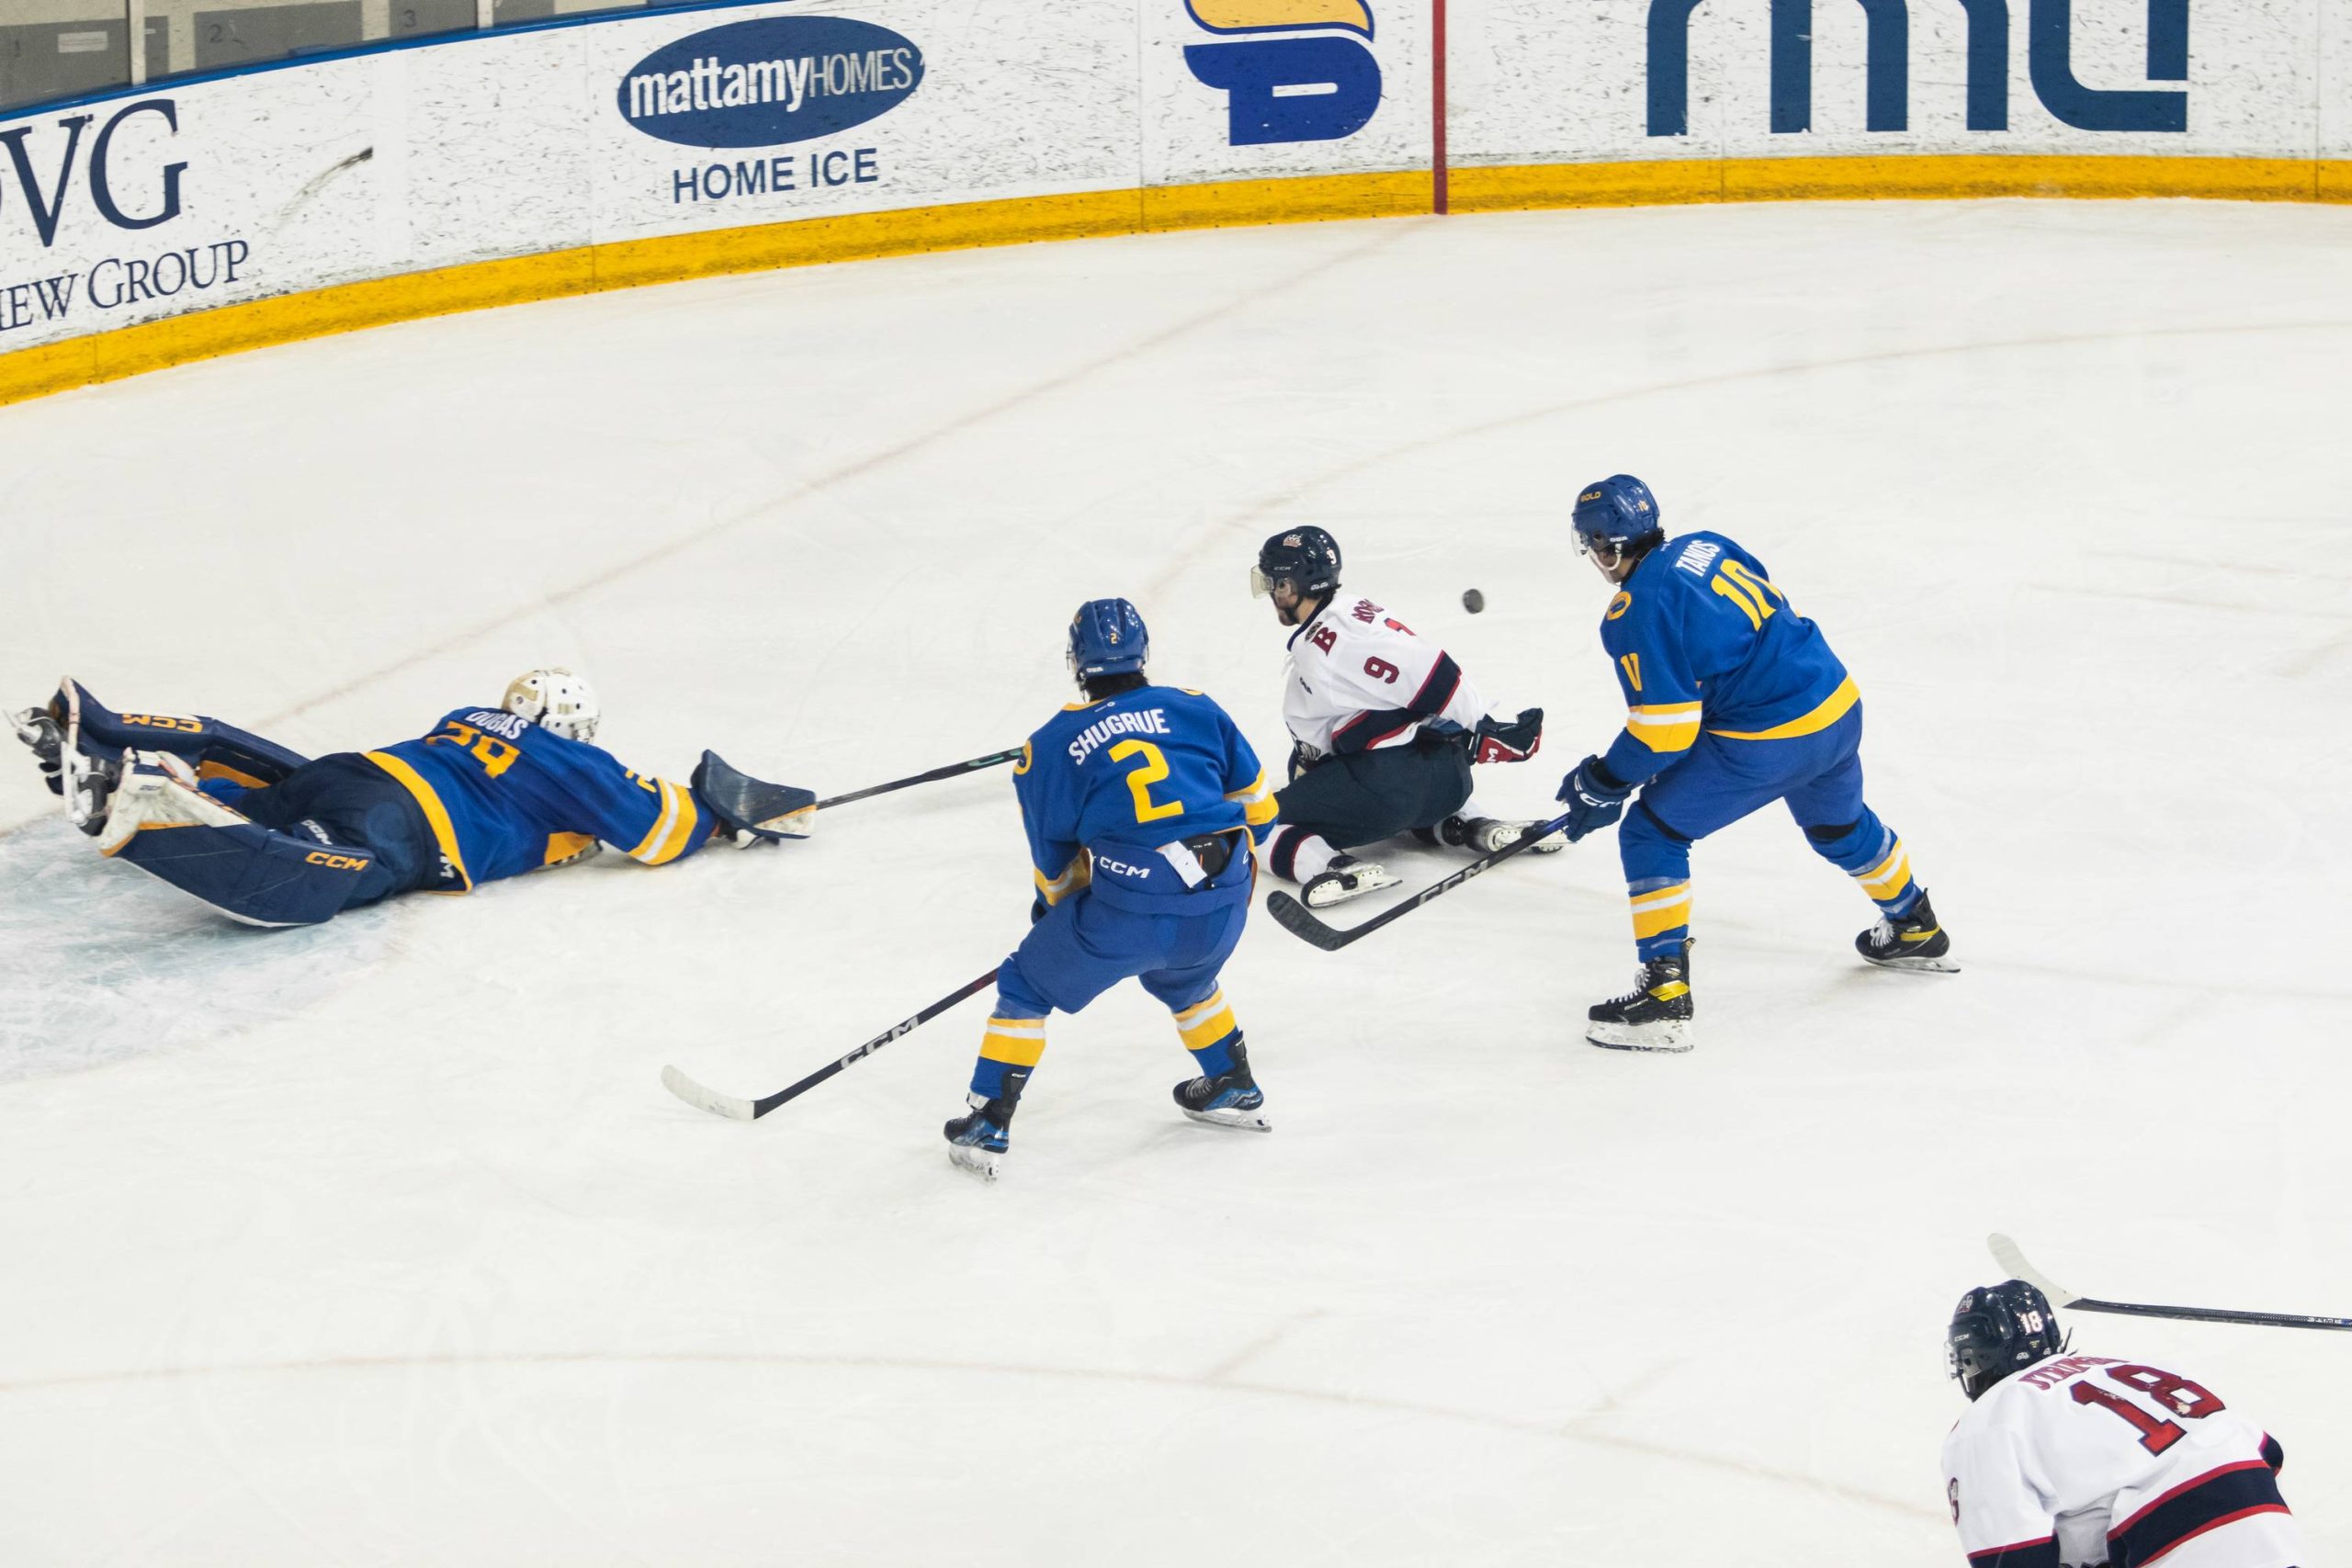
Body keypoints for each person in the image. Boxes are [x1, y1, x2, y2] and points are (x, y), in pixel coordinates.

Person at [1551, 475, 1955, 1053]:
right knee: (1838, 826)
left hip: (1769, 738)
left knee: (1652, 831)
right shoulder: (1710, 543)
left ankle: (1664, 996)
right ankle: (1916, 924)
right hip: (1835, 706)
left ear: (1608, 547)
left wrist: (1603, 782)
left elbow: (1663, 730)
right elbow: (1745, 641)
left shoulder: (1633, 612)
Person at [9, 671, 810, 927]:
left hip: (350, 770)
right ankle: (158, 792)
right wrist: (725, 817)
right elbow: (656, 831)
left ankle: (119, 753)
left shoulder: (469, 718)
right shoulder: (571, 761)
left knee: (277, 802)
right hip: (401, 826)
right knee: (345, 866)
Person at [944, 599, 1277, 1180]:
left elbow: (1058, 870)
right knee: (1187, 977)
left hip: (1131, 912)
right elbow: (1262, 811)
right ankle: (1232, 1083)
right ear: (1143, 653)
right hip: (1224, 905)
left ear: (1076, 662)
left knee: (1024, 983)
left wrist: (1056, 918)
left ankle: (987, 1120)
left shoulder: (1049, 745)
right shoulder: (1196, 709)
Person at [1250, 526, 1555, 909]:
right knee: (1376, 768)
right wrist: (1483, 725)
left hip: (1385, 794)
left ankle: (1336, 866)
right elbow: (1421, 670)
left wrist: (1482, 725)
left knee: (1254, 823)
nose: (1271, 595)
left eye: (1275, 584)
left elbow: (1427, 670)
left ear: (1290, 585)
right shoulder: (1355, 608)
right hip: (1449, 780)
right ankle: (1469, 824)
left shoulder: (1324, 645)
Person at [1942, 1280, 2303, 1568]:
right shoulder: (2137, 1366)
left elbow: (2012, 1555)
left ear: (1974, 1357)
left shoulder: (1990, 1418)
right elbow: (2266, 1450)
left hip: (2176, 1549)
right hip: (2275, 1537)